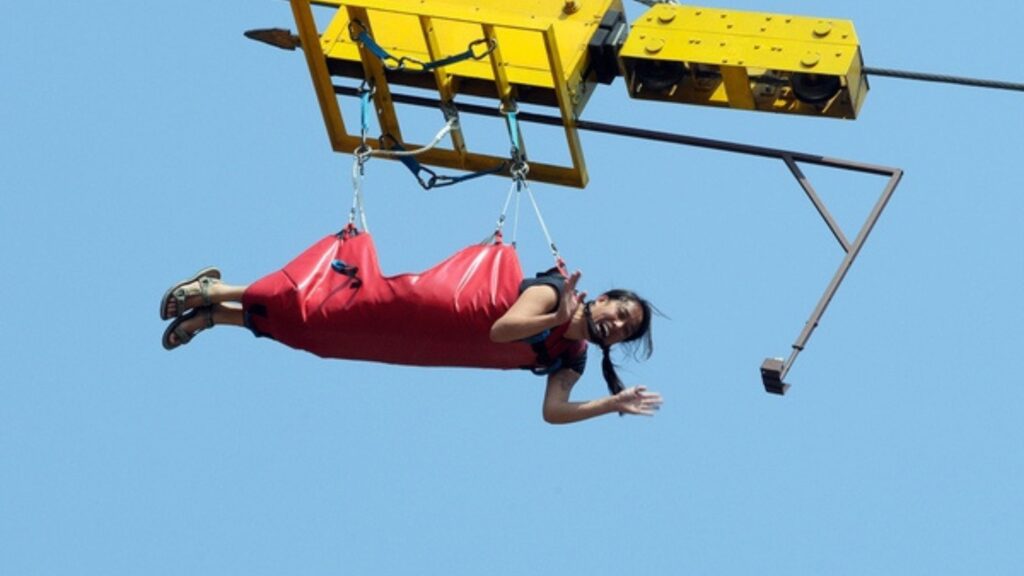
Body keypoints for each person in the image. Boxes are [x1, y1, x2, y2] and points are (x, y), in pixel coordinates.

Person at [159, 257, 663, 424]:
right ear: (600, 301)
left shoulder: (569, 357)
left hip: (419, 345)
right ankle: (216, 289)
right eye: (618, 313)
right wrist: (557, 313)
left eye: (625, 329)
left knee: (320, 335)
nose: (616, 325)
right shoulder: (554, 295)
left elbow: (553, 413)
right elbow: (502, 330)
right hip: (416, 306)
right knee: (319, 304)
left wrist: (611, 404)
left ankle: (216, 319)